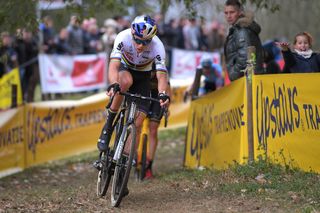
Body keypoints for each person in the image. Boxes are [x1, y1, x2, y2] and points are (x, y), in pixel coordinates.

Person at [95, 15, 170, 184]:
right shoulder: (122, 37)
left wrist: (163, 93)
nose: (140, 46)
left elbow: (161, 74)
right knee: (125, 83)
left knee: (138, 121)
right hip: (125, 68)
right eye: (137, 40)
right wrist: (114, 83)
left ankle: (123, 166)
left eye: (145, 42)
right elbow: (113, 65)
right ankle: (108, 124)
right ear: (132, 33)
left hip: (143, 75)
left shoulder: (158, 46)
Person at [224, 0, 264, 81]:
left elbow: (245, 58)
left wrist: (233, 75)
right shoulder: (239, 29)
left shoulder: (241, 30)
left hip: (247, 80)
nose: (228, 16)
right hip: (249, 78)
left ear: (239, 13)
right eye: (226, 13)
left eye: (232, 12)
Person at [143, 70, 171, 179]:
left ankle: (149, 165)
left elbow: (168, 90)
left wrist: (167, 108)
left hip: (157, 98)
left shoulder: (161, 68)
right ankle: (133, 155)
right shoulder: (142, 65)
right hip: (143, 93)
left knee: (153, 130)